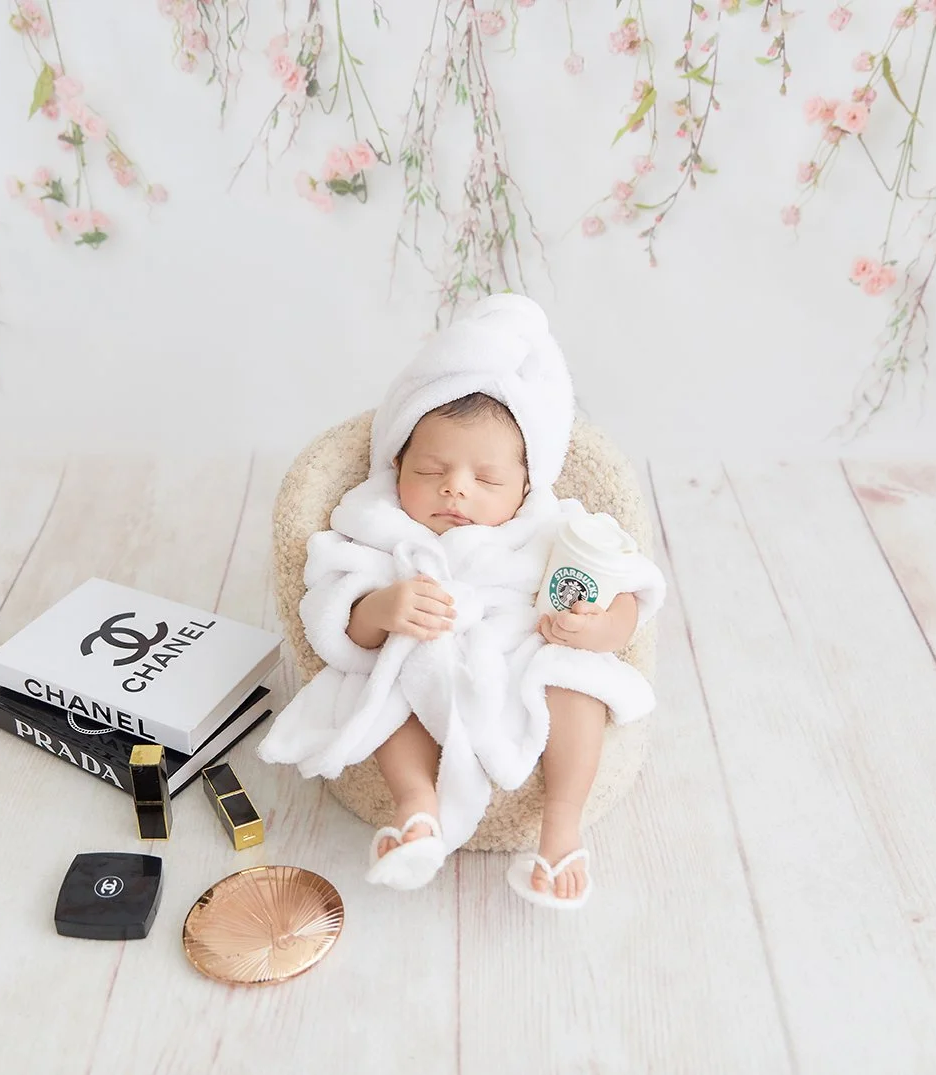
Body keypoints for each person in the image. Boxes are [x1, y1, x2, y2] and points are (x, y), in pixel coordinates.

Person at [258, 293, 666, 909]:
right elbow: (331, 612)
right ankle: (416, 807)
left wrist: (603, 626)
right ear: (396, 466)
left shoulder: (552, 527)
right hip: (429, 654)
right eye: (431, 470)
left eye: (487, 479)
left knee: (577, 683)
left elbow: (630, 587)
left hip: (526, 650)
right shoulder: (377, 527)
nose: (455, 487)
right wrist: (382, 609)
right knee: (386, 682)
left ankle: (560, 830)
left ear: (527, 485)